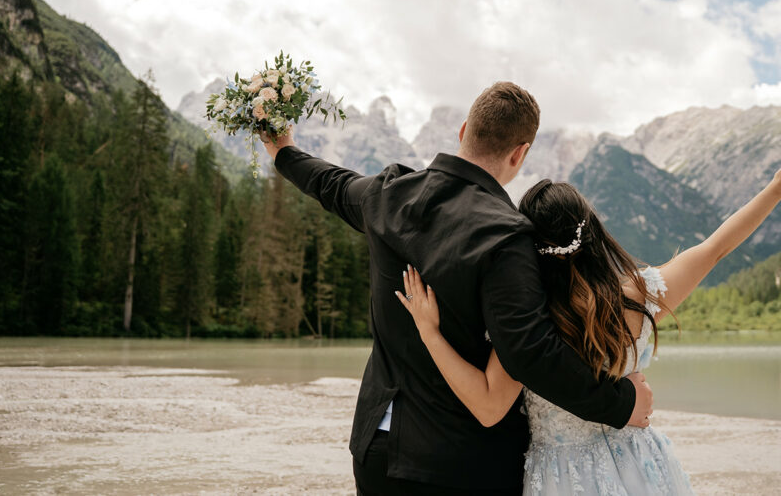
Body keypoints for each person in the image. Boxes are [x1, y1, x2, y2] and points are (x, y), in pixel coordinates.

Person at [261, 81, 653, 496]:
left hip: (376, 450)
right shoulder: (506, 236)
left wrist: (284, 150)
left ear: (464, 130)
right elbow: (530, 352)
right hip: (461, 464)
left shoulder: (388, 195)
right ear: (519, 154)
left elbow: (332, 184)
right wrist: (620, 404)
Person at [396, 156, 781, 494]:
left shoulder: (525, 326)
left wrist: (429, 332)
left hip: (560, 478)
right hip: (640, 463)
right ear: (592, 233)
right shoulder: (637, 297)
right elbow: (716, 248)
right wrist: (775, 190)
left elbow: (489, 407)